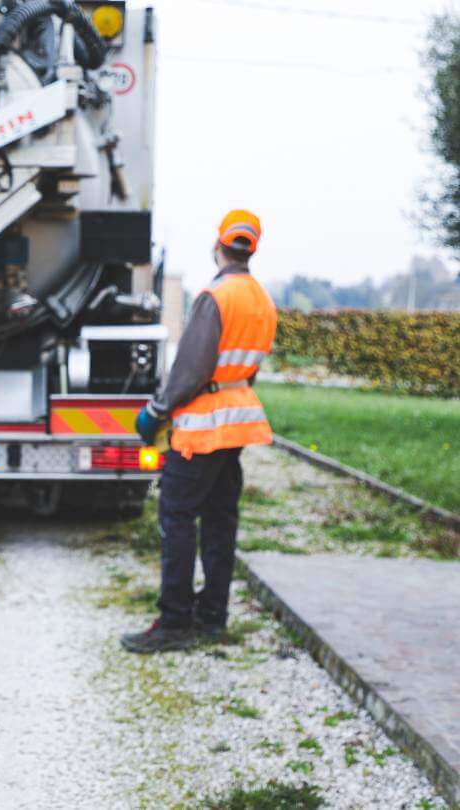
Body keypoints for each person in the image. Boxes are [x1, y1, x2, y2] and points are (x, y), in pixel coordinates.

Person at [121, 210, 277, 654]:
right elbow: (247, 367)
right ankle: (212, 617)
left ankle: (173, 622)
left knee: (177, 516)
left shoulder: (215, 296)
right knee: (220, 521)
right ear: (252, 248)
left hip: (202, 427)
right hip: (237, 423)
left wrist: (156, 411)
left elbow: (190, 369)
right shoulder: (261, 299)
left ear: (219, 245)